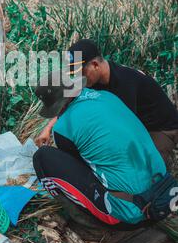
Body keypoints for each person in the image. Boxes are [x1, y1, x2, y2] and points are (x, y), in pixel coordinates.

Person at [33, 71, 168, 229]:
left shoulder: (63, 128)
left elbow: (81, 166)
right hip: (164, 192)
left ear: (57, 105)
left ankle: (85, 221)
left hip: (131, 214)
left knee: (41, 157)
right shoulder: (107, 96)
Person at [36, 39, 178, 167]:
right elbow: (68, 101)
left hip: (160, 129)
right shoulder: (92, 79)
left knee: (145, 172)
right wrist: (48, 129)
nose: (78, 77)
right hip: (137, 123)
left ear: (95, 65)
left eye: (80, 72)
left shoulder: (125, 82)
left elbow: (127, 130)